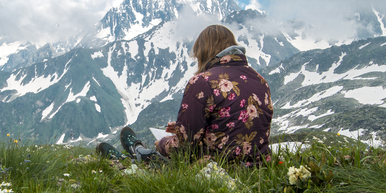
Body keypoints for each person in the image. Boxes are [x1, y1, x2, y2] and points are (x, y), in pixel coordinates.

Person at [97, 24, 272, 166]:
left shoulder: (203, 82)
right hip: (258, 172)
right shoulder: (261, 81)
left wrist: (163, 143)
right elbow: (233, 124)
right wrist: (186, 127)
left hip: (215, 171)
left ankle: (130, 157)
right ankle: (137, 150)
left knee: (162, 161)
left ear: (204, 53)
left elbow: (183, 148)